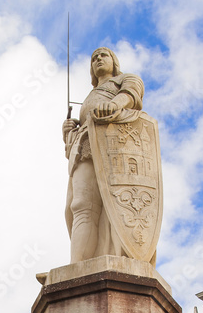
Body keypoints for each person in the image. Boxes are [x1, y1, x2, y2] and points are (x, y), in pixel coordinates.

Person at [62, 47, 148, 263]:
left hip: (113, 147)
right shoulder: (91, 95)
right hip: (86, 144)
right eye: (93, 58)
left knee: (111, 207)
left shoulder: (125, 79)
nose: (98, 59)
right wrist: (69, 133)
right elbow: (81, 132)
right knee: (78, 205)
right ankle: (78, 265)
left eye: (103, 55)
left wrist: (113, 104)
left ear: (114, 61)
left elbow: (131, 94)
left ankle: (82, 264)